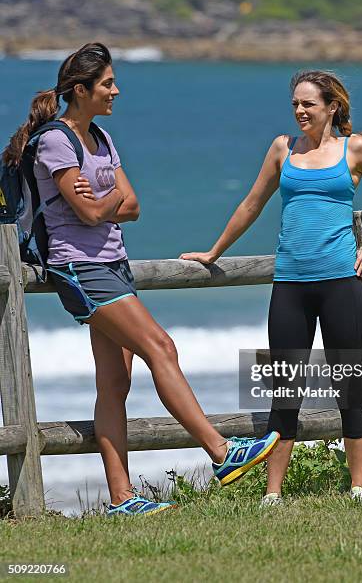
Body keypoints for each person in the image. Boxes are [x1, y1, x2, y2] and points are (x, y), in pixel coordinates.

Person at [2, 43, 279, 517]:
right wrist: (105, 203)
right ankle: (220, 452)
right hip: (78, 268)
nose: (115, 90)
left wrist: (103, 203)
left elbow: (133, 205)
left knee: (115, 382)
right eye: (107, 83)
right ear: (80, 90)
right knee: (162, 347)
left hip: (113, 263)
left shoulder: (102, 139)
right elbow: (95, 210)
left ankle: (121, 500)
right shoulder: (54, 141)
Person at [181, 69, 362, 504]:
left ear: (332, 107)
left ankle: (359, 487)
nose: (300, 112)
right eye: (295, 105)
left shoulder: (356, 149)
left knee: (349, 385)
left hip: (342, 284)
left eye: (308, 104)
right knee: (285, 388)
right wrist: (214, 252)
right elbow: (252, 203)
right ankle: (273, 493)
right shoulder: (281, 149)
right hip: (290, 285)